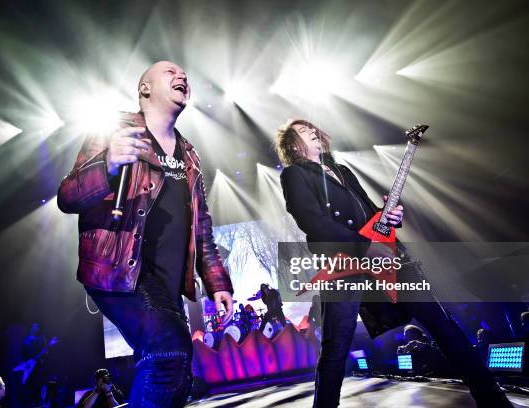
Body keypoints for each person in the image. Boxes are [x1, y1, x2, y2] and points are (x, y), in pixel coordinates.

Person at [275, 119, 512, 408]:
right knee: (336, 346)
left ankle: (493, 399)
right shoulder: (294, 174)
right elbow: (312, 222)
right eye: (303, 131)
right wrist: (365, 247)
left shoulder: (341, 170)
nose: (312, 132)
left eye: (312, 128)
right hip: (343, 266)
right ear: (292, 144)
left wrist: (389, 215)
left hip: (387, 258)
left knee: (443, 324)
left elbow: (368, 213)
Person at [58, 61, 234, 407]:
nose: (182, 76)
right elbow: (67, 196)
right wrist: (107, 163)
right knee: (168, 351)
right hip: (120, 269)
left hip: (167, 285)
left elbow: (202, 229)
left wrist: (218, 283)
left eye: (185, 73)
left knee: (178, 372)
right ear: (145, 88)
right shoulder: (116, 132)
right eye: (170, 72)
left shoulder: (190, 156)